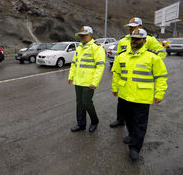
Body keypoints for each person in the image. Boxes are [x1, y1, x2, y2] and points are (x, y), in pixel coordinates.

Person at [112, 28, 168, 160]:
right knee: (128, 120)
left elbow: (161, 76)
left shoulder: (152, 57)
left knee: (139, 123)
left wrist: (159, 93)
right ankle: (132, 135)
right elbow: (117, 74)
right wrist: (115, 88)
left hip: (142, 97)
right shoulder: (122, 56)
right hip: (125, 95)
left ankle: (135, 147)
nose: (134, 41)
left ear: (144, 40)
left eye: (137, 39)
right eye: (132, 38)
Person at [110, 17, 166, 128]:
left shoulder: (148, 39)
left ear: (140, 27)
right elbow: (118, 56)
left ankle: (134, 132)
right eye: (129, 27)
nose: (130, 29)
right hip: (125, 78)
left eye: (133, 27)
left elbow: (161, 52)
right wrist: (114, 68)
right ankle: (120, 119)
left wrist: (150, 64)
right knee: (122, 102)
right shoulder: (123, 40)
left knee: (137, 111)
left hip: (139, 80)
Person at [68, 26, 105, 133]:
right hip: (78, 81)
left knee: (86, 103)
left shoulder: (96, 47)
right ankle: (81, 124)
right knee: (79, 103)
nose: (82, 37)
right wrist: (71, 76)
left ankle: (94, 121)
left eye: (84, 35)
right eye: (81, 36)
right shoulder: (79, 47)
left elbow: (100, 66)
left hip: (89, 83)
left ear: (91, 36)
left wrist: (95, 82)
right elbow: (74, 63)